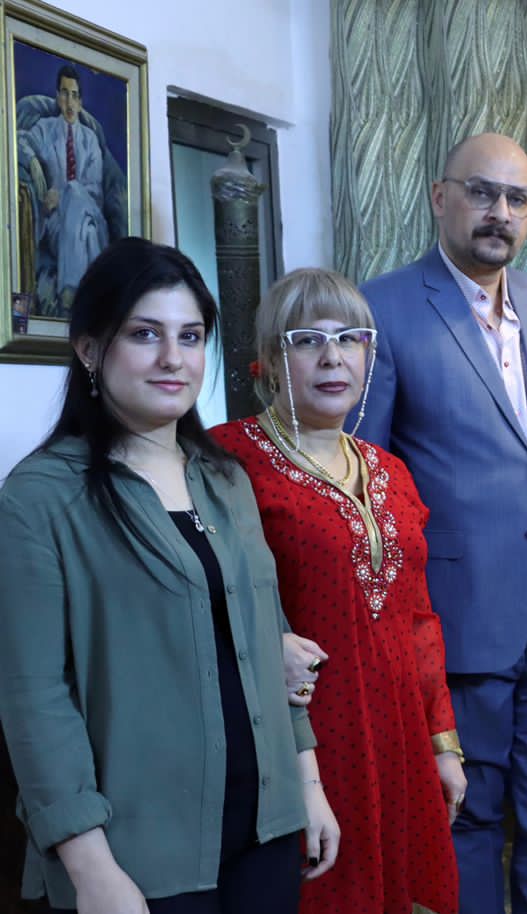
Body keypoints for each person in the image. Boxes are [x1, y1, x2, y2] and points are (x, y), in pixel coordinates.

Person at [0, 238, 338, 913]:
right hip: (136, 849)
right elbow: (35, 699)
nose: (173, 359)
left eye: (190, 336)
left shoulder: (225, 480)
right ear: (90, 349)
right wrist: (91, 868)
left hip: (265, 829)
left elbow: (267, 644)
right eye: (144, 334)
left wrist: (307, 782)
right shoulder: (41, 497)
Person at [357, 132, 527, 914]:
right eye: (482, 192)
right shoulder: (382, 307)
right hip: (456, 617)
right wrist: (391, 618)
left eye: (516, 199)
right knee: (465, 816)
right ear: (441, 198)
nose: (499, 212)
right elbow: (366, 477)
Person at [211, 268, 463, 914]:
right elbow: (205, 596)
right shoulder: (226, 461)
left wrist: (442, 742)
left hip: (398, 733)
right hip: (300, 735)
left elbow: (418, 619)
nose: (333, 357)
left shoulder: (391, 471)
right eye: (307, 340)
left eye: (350, 339)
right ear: (268, 360)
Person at [21, 64, 108, 315]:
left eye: (75, 95)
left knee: (74, 191)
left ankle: (69, 289)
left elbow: (95, 193)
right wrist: (32, 161)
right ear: (57, 97)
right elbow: (19, 140)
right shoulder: (45, 128)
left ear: (80, 102)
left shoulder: (90, 140)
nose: (70, 102)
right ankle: (97, 303)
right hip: (56, 225)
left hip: (90, 214)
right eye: (65, 93)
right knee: (88, 234)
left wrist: (65, 195)